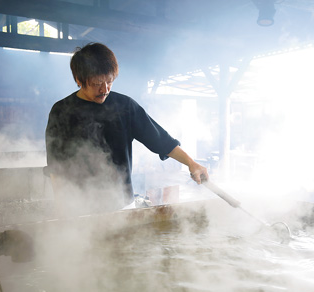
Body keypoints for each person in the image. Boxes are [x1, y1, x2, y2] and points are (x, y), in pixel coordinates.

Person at [45, 42, 208, 216]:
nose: (105, 89)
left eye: (109, 81)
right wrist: (62, 209)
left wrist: (192, 164)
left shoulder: (125, 106)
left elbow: (161, 140)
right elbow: (57, 165)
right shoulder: (62, 111)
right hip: (79, 208)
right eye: (97, 83)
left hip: (122, 205)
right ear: (78, 80)